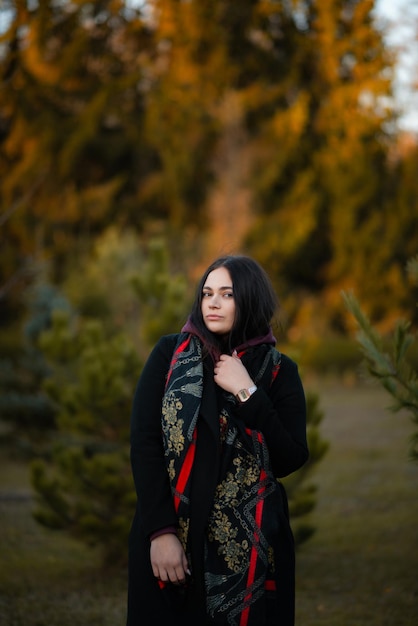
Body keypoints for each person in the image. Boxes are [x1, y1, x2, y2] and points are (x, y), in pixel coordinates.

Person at [127, 255, 308, 626]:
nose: (212, 302)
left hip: (253, 549)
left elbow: (290, 458)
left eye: (227, 294)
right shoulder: (169, 355)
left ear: (250, 300)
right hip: (172, 531)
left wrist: (248, 393)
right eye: (207, 292)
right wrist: (161, 532)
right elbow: (145, 445)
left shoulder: (279, 371)